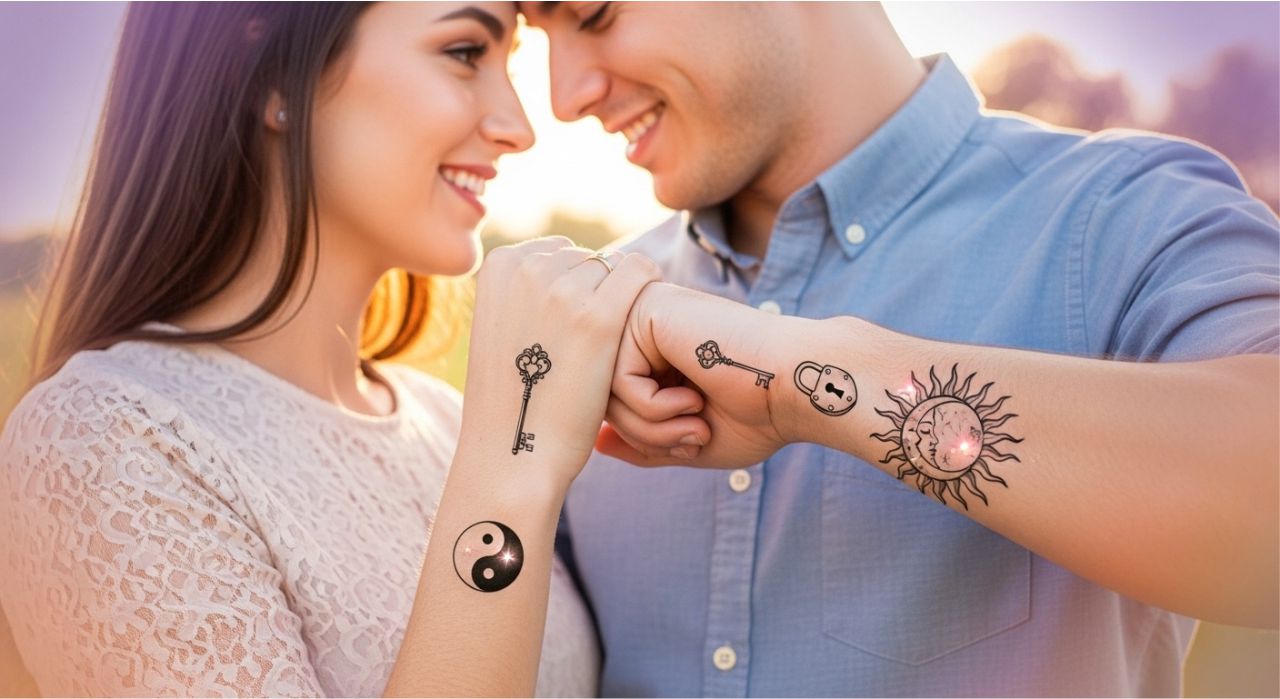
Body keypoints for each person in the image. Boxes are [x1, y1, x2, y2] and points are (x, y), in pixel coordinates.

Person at [524, 2, 1280, 695]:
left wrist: (810, 380)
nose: (563, 96)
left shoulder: (1125, 217)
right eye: (538, 34)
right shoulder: (591, 321)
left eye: (595, 11)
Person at [0, 3, 661, 696]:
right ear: (275, 78)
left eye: (511, 65)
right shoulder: (105, 440)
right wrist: (515, 459)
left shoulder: (446, 421)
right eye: (465, 52)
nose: (519, 128)